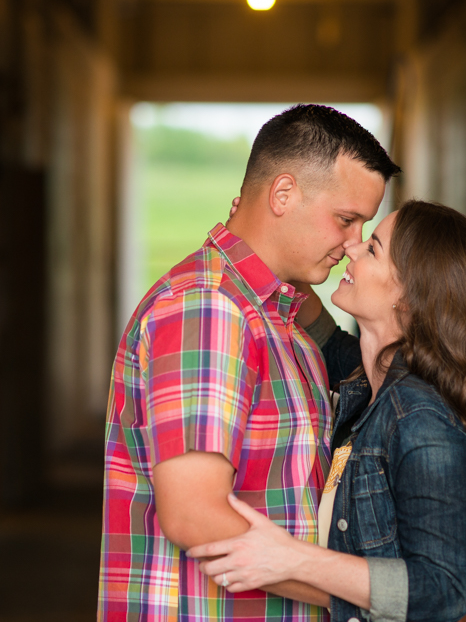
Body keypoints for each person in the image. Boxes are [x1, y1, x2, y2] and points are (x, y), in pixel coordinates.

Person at [98, 104, 401, 621]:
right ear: (283, 194)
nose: (354, 245)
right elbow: (195, 517)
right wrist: (375, 598)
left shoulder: (280, 319)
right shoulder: (208, 307)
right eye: (347, 220)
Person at [189, 200, 466, 622]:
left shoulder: (418, 419)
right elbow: (323, 334)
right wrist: (263, 235)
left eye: (372, 249)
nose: (352, 249)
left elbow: (443, 591)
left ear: (409, 298)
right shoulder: (371, 382)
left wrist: (292, 560)